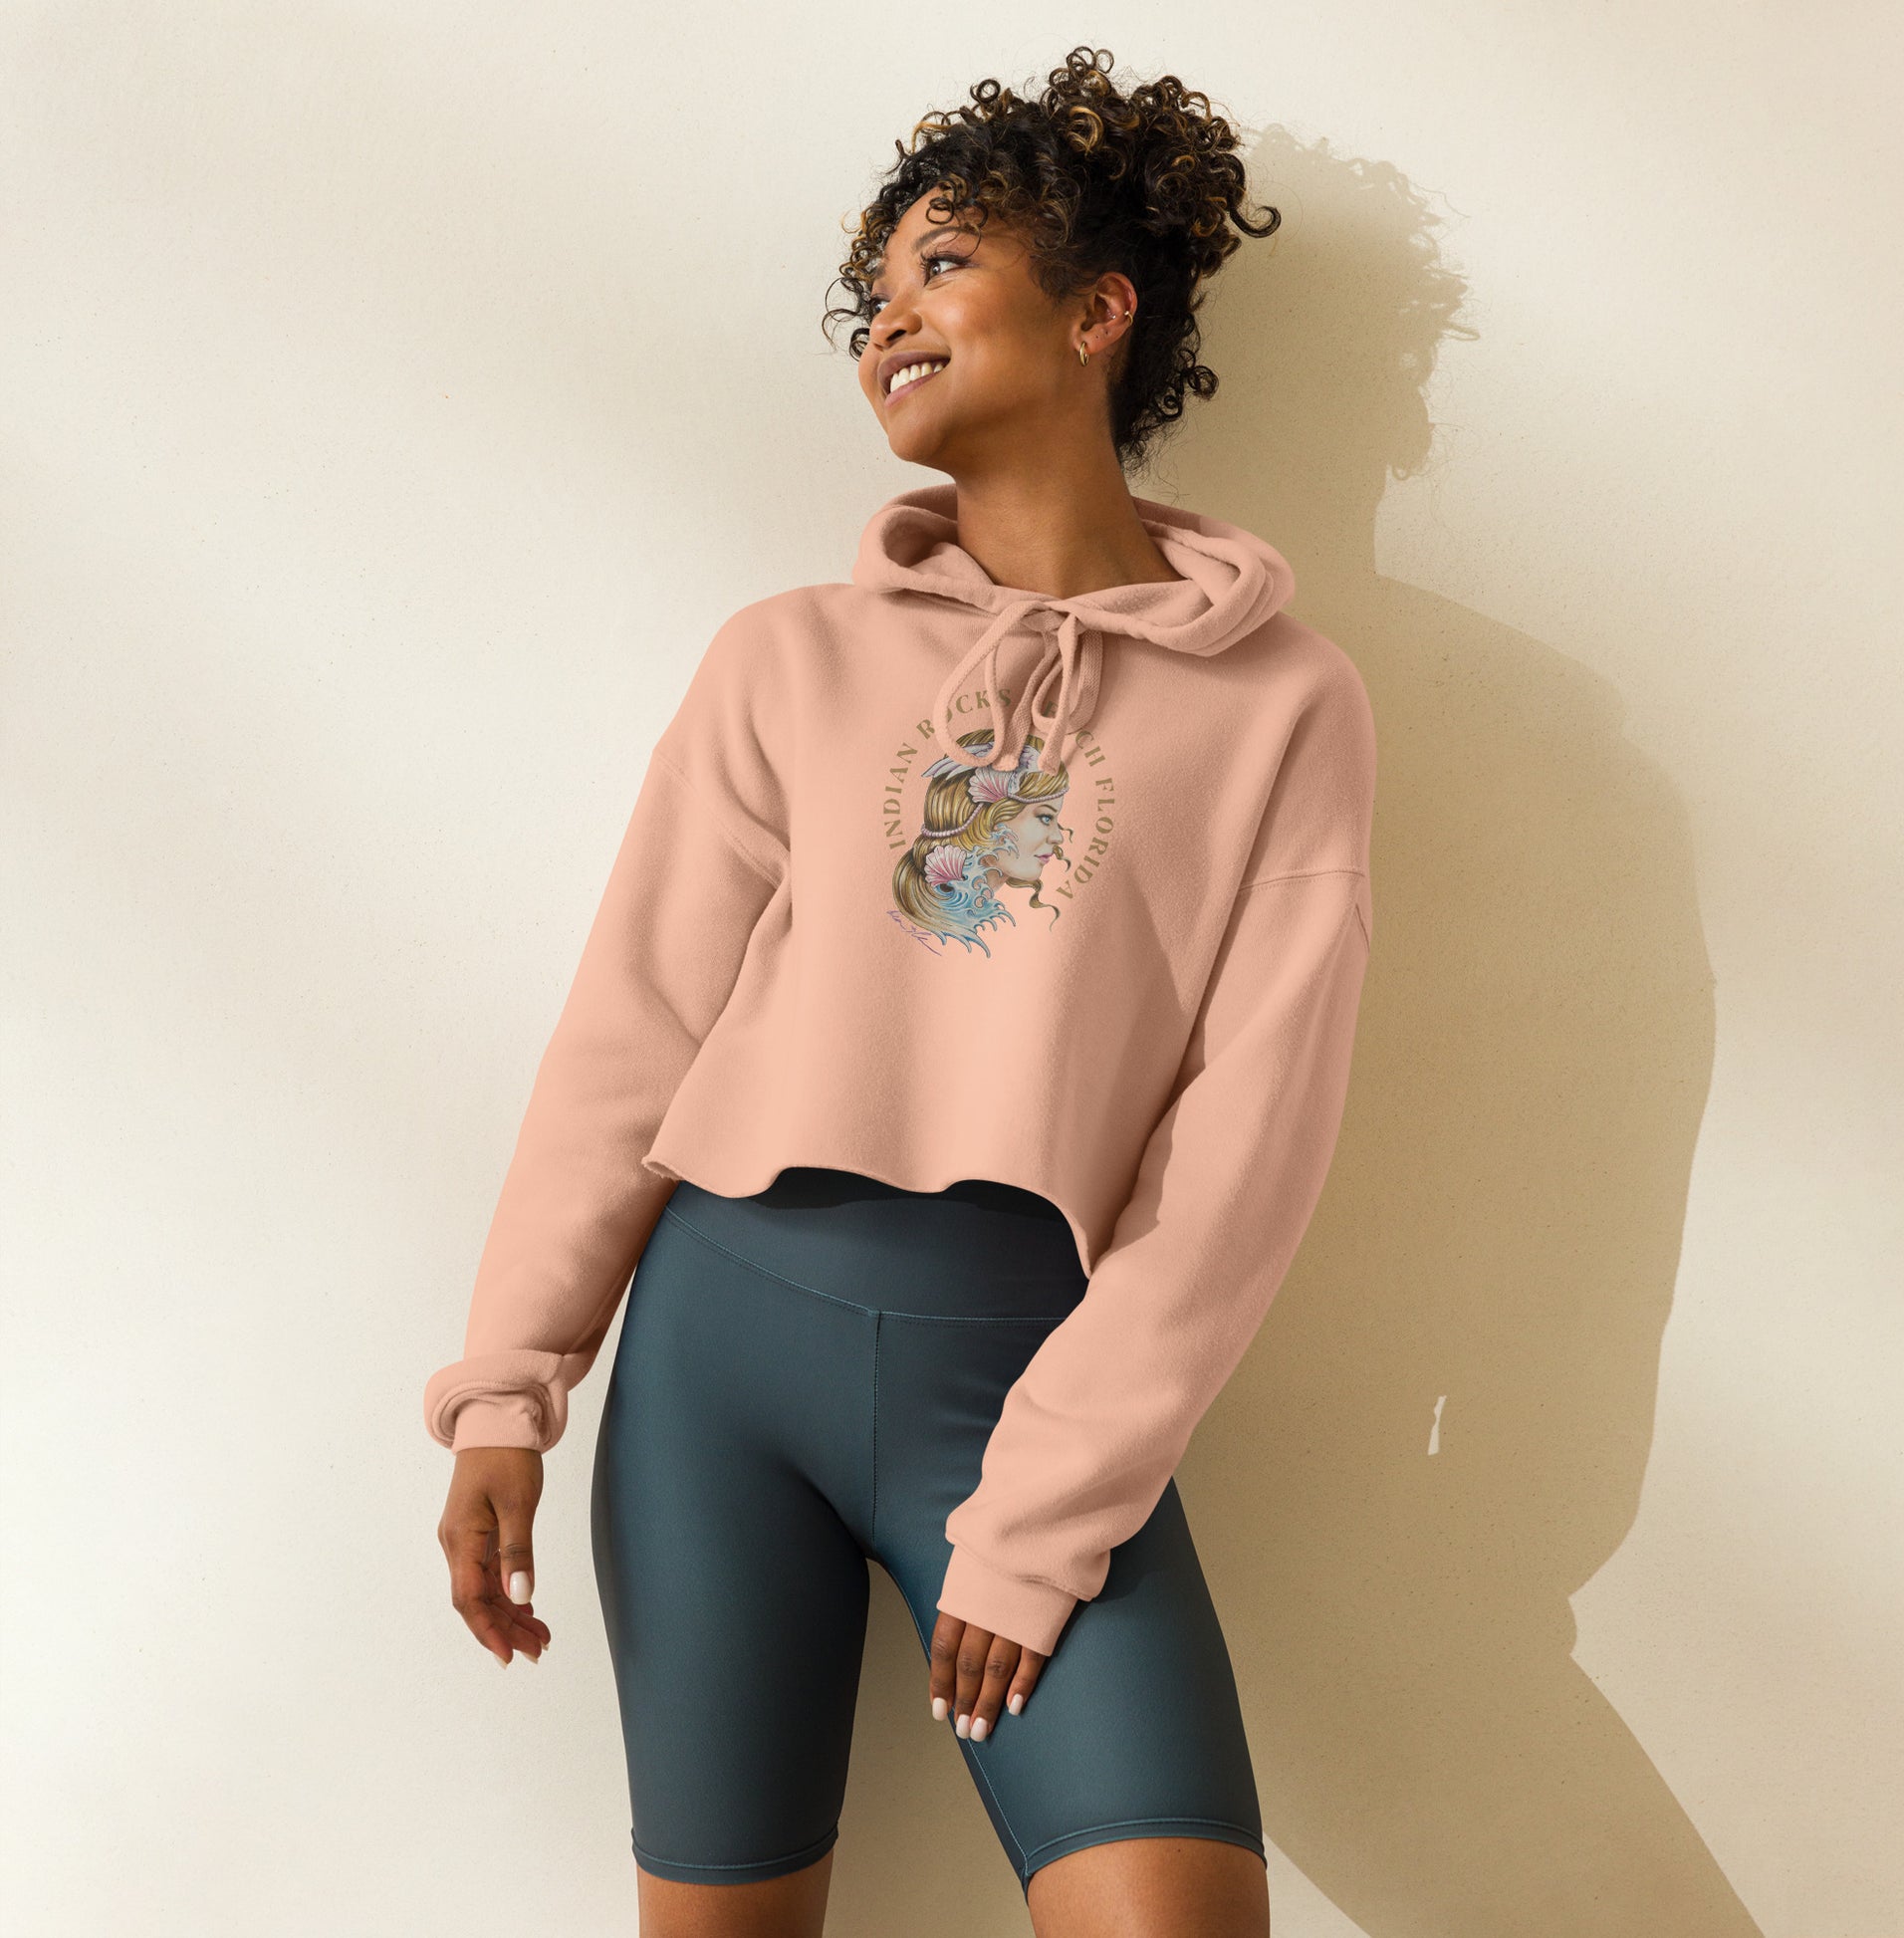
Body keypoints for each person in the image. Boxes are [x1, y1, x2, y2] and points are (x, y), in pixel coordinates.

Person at [425, 45, 1375, 1938]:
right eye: (871, 295)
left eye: (942, 266)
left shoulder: (1286, 704)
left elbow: (1244, 1153)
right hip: (715, 1368)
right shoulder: (783, 659)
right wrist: (506, 1391)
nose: (887, 321)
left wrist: (1043, 1512)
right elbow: (632, 1031)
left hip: (1021, 1378)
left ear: (1099, 310)